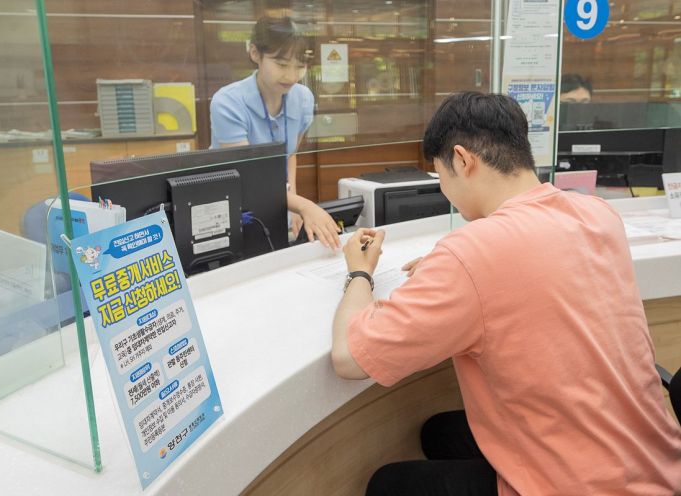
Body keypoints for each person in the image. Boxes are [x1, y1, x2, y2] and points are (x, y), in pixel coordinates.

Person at [331, 92, 681, 495]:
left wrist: (359, 271)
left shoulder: (473, 254)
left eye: (440, 174)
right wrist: (459, 270)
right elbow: (534, 269)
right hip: (654, 462)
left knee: (388, 484)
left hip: (580, 486)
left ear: (462, 160)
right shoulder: (598, 214)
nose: (444, 187)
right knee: (439, 434)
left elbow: (349, 357)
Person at [209, 16, 341, 249]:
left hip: (276, 202)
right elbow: (249, 176)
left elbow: (290, 155)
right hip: (228, 210)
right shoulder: (227, 102)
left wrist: (293, 208)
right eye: (281, 64)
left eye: (300, 66)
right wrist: (302, 205)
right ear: (255, 53)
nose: (291, 76)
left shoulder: (303, 98)